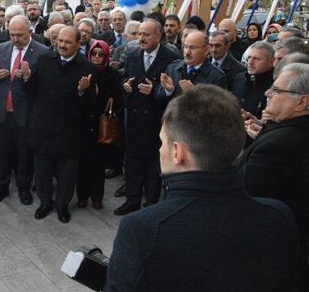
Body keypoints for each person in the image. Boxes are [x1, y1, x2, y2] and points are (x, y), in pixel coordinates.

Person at [105, 85, 301, 292]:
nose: (160, 149)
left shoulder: (141, 229)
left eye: (163, 142)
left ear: (177, 152)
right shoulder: (279, 217)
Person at [237, 62, 309, 289]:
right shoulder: (285, 131)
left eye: (277, 90)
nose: (268, 92)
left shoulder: (281, 144)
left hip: (274, 251)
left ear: (303, 102)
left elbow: (244, 192)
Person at [24, 26, 97, 223]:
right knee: (42, 169)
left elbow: (91, 106)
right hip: (43, 126)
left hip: (70, 130)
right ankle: (45, 202)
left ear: (78, 44)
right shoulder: (45, 60)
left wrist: (83, 91)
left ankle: (62, 205)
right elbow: (31, 91)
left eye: (67, 42)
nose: (62, 45)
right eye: (60, 41)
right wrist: (26, 78)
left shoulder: (87, 68)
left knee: (67, 173)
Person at [116, 19, 181, 215]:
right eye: (139, 34)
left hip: (156, 119)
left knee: (154, 165)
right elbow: (125, 78)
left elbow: (173, 90)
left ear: (159, 36)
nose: (141, 38)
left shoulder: (171, 57)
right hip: (135, 117)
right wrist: (125, 88)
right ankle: (132, 199)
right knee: (133, 162)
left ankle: (151, 205)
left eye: (146, 34)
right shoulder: (134, 53)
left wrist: (158, 91)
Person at [0, 15, 48, 205]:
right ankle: (1, 187)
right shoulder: (2, 48)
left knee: (24, 156)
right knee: (3, 153)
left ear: (30, 32)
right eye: (11, 34)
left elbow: (45, 88)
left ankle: (24, 189)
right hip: (2, 112)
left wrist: (29, 78)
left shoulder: (42, 52)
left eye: (19, 35)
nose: (15, 39)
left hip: (25, 115)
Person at [76, 40, 122, 210]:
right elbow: (76, 97)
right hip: (83, 124)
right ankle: (81, 196)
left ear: (106, 56)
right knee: (82, 163)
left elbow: (117, 101)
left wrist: (102, 96)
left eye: (100, 54)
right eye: (94, 53)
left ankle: (96, 197)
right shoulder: (84, 70)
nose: (96, 57)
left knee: (98, 165)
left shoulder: (113, 74)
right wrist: (84, 92)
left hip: (101, 126)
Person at [157, 31, 227, 100]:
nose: (187, 53)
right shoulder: (172, 68)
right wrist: (168, 91)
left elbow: (217, 108)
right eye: (185, 47)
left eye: (192, 48)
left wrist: (194, 95)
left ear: (206, 50)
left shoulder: (217, 77)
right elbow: (158, 99)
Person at [232, 41, 274, 119]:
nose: (250, 62)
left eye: (256, 59)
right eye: (249, 57)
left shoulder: (275, 85)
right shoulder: (239, 78)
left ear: (271, 62)